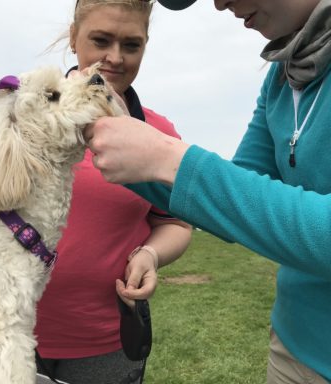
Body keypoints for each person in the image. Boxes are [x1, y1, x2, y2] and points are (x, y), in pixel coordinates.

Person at [85, 0, 331, 383]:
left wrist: (170, 160)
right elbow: (233, 207)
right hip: (293, 347)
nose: (218, 3)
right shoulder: (281, 77)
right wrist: (111, 138)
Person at [0, 1, 192, 383]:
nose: (113, 58)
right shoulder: (8, 115)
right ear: (73, 37)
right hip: (1, 329)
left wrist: (150, 253)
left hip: (105, 338)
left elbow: (175, 222)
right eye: (100, 40)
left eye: (131, 45)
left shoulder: (159, 135)